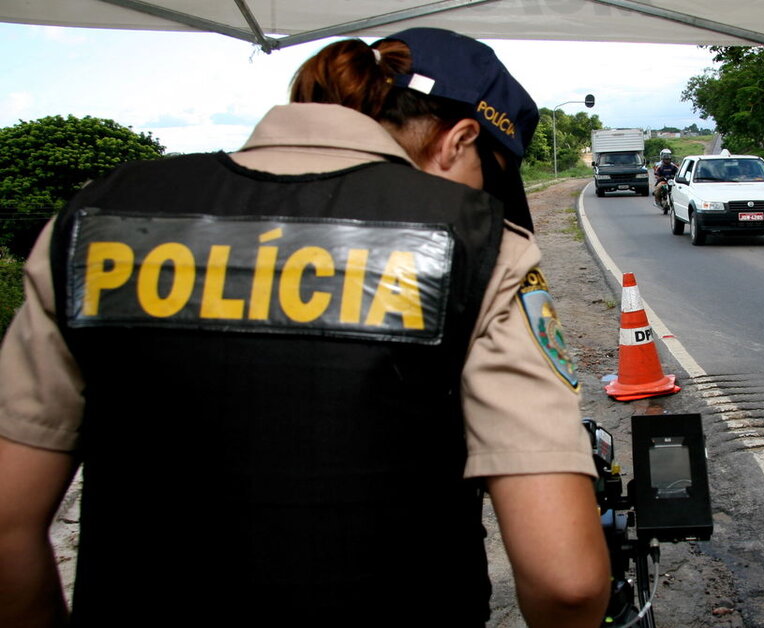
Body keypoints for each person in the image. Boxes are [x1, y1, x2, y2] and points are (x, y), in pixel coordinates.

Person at [0, 28, 609, 627]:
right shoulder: (478, 243)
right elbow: (567, 582)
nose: (487, 198)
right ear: (458, 140)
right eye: (492, 175)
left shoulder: (95, 220)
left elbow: (8, 526)